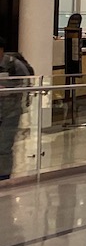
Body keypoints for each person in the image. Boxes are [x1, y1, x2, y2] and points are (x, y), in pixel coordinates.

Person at [0, 37, 35, 182]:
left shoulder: (14, 65)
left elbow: (27, 84)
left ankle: (4, 176)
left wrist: (8, 90)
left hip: (11, 112)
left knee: (4, 146)